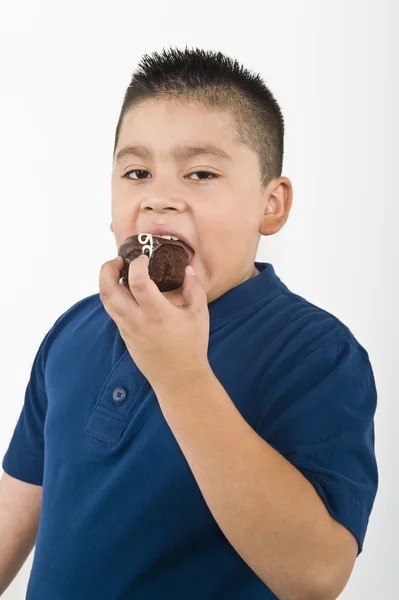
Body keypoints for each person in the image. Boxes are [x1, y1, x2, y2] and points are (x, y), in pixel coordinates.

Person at [0, 46, 378, 599]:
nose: (160, 197)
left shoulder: (316, 353)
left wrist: (181, 377)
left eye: (200, 172)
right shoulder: (73, 332)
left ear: (270, 205)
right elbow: (14, 514)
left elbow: (317, 577)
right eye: (137, 172)